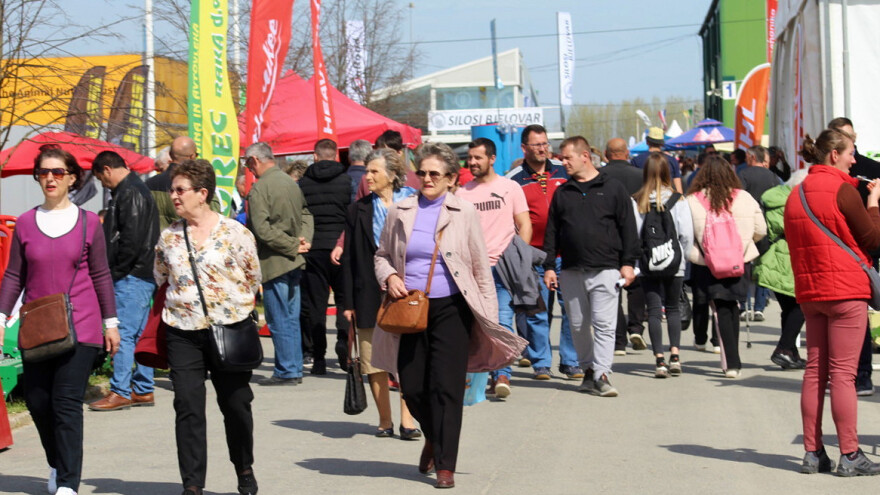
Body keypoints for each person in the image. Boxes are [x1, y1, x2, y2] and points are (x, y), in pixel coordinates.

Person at [372, 142, 527, 489]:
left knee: (447, 388)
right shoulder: (401, 210)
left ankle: (446, 464)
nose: (426, 179)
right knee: (411, 386)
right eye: (422, 172)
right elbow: (381, 255)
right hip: (409, 308)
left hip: (453, 309)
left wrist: (487, 316)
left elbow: (479, 265)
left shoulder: (464, 211)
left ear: (450, 178)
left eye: (434, 174)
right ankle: (432, 436)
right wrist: (391, 277)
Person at [0, 146, 120, 495]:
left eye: (57, 172)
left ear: (71, 178)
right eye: (43, 172)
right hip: (38, 327)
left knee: (66, 401)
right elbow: (13, 276)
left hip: (81, 325)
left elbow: (100, 275)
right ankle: (57, 463)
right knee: (38, 401)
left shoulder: (87, 224)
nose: (49, 178)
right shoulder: (24, 223)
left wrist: (110, 322)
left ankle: (68, 482)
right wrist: (2, 313)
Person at [154, 159, 262, 495]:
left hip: (229, 330)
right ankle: (192, 485)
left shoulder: (235, 233)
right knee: (187, 406)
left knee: (235, 405)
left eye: (180, 190)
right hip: (182, 331)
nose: (174, 196)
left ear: (202, 193)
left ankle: (244, 467)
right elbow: (160, 277)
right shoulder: (169, 236)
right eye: (172, 189)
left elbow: (253, 277)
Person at [785, 129, 880, 476]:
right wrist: (873, 203)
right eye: (850, 153)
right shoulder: (844, 189)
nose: (855, 160)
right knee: (843, 376)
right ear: (833, 155)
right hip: (846, 290)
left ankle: (813, 452)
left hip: (812, 291)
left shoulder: (796, 194)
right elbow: (873, 240)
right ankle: (851, 454)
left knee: (815, 373)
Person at [543, 136, 640, 397]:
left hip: (606, 268)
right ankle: (588, 369)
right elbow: (552, 232)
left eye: (567, 158)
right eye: (561, 158)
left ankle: (602, 373)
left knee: (604, 324)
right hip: (572, 269)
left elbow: (628, 229)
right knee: (577, 324)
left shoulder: (613, 188)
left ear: (584, 156)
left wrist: (628, 264)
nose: (563, 163)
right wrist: (550, 266)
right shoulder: (563, 192)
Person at [339, 148, 419, 438]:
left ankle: (407, 420)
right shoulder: (357, 209)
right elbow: (348, 258)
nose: (367, 176)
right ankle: (385, 420)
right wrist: (347, 301)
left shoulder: (414, 204)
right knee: (373, 360)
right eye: (368, 171)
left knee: (406, 358)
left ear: (393, 174)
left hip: (408, 291)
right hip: (368, 293)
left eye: (374, 171)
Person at [456, 138, 532, 391]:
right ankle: (473, 376)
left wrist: (519, 257)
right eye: (470, 157)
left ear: (492, 159)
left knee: (500, 321)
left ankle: (502, 375)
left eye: (478, 157)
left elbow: (525, 224)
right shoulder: (462, 192)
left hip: (502, 268)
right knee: (473, 324)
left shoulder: (510, 188)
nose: (473, 162)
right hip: (471, 270)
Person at [509, 124, 582, 380]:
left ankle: (570, 361)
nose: (542, 149)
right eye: (536, 144)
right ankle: (541, 362)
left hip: (565, 255)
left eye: (544, 144)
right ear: (524, 147)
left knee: (572, 309)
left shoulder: (564, 173)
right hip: (533, 256)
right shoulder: (515, 180)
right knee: (537, 311)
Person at [89, 150, 160, 412]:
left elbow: (130, 239)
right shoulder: (133, 190)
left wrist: (116, 271)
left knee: (123, 335)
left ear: (107, 170)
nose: (102, 184)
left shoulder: (129, 192)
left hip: (131, 275)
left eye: (101, 178)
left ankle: (120, 390)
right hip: (139, 273)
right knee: (138, 334)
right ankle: (142, 388)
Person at [686, 156, 766, 379]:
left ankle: (731, 361)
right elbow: (761, 229)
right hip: (738, 261)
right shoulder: (745, 198)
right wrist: (743, 244)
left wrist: (698, 253)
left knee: (720, 307)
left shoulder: (692, 200)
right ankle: (733, 359)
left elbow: (685, 234)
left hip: (708, 264)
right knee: (731, 307)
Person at [245, 142, 313, 386]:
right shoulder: (289, 183)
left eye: (247, 163)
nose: (248, 169)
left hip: (275, 261)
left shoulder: (260, 188)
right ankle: (292, 367)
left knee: (279, 318)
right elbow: (307, 214)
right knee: (291, 317)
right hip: (294, 260)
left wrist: (293, 244)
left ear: (254, 160)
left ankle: (287, 370)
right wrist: (302, 241)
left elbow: (262, 229)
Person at [828, 116, 880, 396]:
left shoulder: (871, 170)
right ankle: (858, 376)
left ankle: (859, 376)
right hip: (849, 253)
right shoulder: (828, 177)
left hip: (866, 248)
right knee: (854, 317)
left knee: (857, 316)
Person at [632, 152, 694, 378]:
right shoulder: (678, 200)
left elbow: (635, 235)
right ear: (669, 172)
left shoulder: (637, 200)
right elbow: (686, 234)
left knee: (655, 311)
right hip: (673, 262)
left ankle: (659, 359)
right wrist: (682, 258)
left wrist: (638, 261)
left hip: (648, 263)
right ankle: (675, 355)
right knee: (674, 308)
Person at [298, 139, 352, 374]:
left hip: (313, 248)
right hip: (341, 247)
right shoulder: (347, 181)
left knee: (315, 305)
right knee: (343, 300)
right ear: (336, 156)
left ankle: (318, 358)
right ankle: (344, 344)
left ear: (315, 156)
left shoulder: (302, 183)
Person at [753, 175, 806, 370]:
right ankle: (783, 349)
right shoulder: (793, 202)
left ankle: (791, 353)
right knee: (801, 306)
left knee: (790, 308)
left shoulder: (773, 198)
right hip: (786, 258)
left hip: (771, 258)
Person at [602, 137, 648, 355]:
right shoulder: (641, 176)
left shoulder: (601, 176)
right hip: (637, 234)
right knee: (636, 283)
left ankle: (619, 340)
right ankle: (636, 326)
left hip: (609, 238)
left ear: (606, 154)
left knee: (614, 288)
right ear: (627, 153)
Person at [738, 145, 780, 322]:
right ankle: (760, 306)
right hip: (767, 226)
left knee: (745, 265)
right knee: (763, 266)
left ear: (750, 157)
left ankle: (744, 304)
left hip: (746, 225)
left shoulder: (743, 175)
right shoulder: (773, 177)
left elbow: (736, 198)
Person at [630, 127, 683, 193]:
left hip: (644, 199)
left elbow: (634, 186)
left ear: (647, 142)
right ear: (662, 144)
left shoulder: (637, 160)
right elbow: (679, 190)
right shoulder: (672, 160)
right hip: (668, 200)